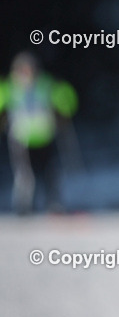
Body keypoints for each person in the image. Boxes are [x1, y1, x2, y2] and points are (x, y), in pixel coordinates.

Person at [0, 52, 78, 215]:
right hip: (21, 138)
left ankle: (54, 204)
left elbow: (67, 97)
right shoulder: (10, 88)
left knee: (50, 173)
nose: (25, 75)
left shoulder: (45, 84)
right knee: (25, 175)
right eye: (21, 71)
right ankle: (24, 206)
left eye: (28, 70)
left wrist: (65, 104)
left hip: (45, 136)